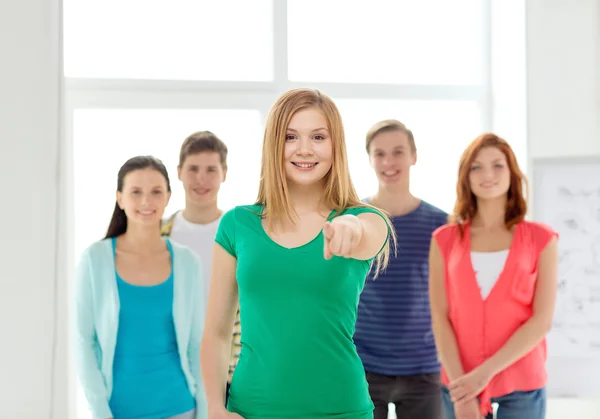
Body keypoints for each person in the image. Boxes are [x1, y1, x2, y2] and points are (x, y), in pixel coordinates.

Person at [200, 88, 395, 419]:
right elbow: (217, 332)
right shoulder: (237, 225)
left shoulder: (366, 218)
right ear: (274, 145)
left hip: (340, 410)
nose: (305, 149)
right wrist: (216, 409)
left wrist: (349, 227)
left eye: (318, 137)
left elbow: (365, 233)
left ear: (336, 146)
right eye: (291, 136)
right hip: (250, 409)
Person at [429, 133, 558, 419]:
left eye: (498, 165)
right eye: (476, 167)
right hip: (460, 382)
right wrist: (462, 388)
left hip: (523, 383)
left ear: (512, 173)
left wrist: (482, 376)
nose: (487, 174)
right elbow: (440, 316)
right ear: (466, 176)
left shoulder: (542, 239)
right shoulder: (444, 240)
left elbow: (541, 321)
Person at [73, 156, 207, 419]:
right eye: (136, 192)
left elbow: (196, 345)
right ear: (120, 198)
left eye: (156, 192)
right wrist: (101, 411)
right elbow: (83, 342)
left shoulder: (188, 262)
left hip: (179, 408)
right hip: (117, 410)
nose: (146, 202)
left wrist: (203, 411)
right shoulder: (94, 260)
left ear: (168, 196)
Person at [354, 120, 447, 419]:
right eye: (379, 154)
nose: (389, 162)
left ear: (414, 156)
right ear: (369, 159)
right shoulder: (355, 220)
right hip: (363, 366)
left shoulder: (441, 224)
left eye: (398, 152)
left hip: (424, 370)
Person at [160, 131, 240, 401]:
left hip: (230, 370)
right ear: (179, 172)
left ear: (224, 173)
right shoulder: (160, 234)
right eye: (193, 169)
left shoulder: (240, 235)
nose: (201, 179)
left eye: (210, 169)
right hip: (172, 364)